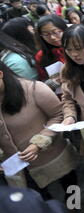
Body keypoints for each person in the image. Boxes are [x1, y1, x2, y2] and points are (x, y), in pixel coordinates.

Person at [0, 61, 79, 201]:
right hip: (18, 168)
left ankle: (74, 206)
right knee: (39, 199)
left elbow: (58, 115)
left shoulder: (32, 89)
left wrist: (39, 142)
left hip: (52, 156)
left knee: (70, 187)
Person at [35, 15, 68, 91]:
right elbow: (43, 81)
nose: (52, 37)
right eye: (46, 34)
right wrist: (54, 82)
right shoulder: (41, 56)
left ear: (64, 29)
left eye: (55, 32)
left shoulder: (78, 46)